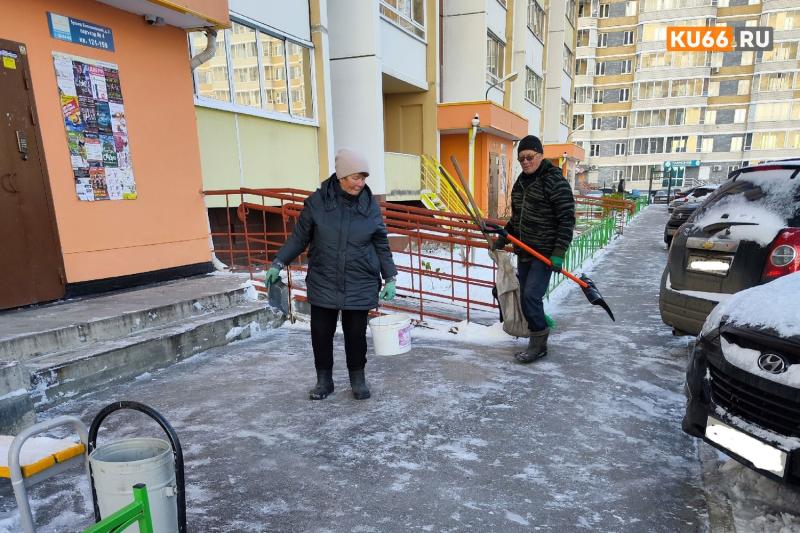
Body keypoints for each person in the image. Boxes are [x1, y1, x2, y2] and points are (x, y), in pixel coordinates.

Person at [264, 148, 398, 400]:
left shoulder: (370, 206)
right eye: (356, 177)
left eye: (364, 177)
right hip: (324, 279)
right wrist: (278, 262)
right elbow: (299, 237)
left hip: (360, 280)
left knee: (356, 335)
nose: (361, 183)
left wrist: (390, 276)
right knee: (320, 333)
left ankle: (358, 379)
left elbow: (381, 244)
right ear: (342, 176)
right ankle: (324, 381)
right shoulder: (317, 203)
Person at [492, 135, 575, 363]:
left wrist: (559, 252)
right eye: (521, 159)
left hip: (545, 253)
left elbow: (567, 219)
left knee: (530, 296)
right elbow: (517, 219)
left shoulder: (554, 181)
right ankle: (537, 332)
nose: (526, 162)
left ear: (540, 155)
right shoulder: (521, 183)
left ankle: (539, 342)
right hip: (525, 251)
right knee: (525, 296)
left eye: (529, 157)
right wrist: (504, 237)